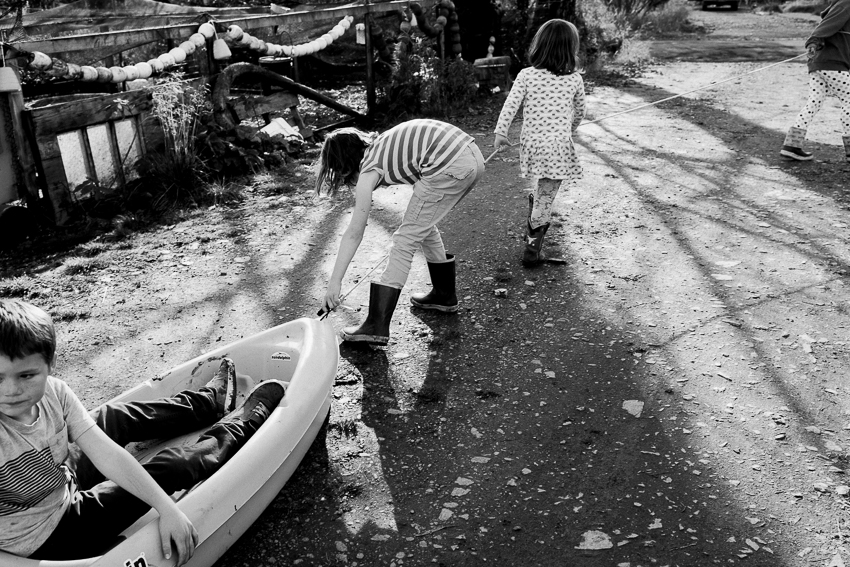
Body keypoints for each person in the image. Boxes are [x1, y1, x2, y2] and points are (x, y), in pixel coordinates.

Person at [0, 298, 286, 564]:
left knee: (111, 418)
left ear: (50, 366)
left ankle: (209, 403)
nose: (11, 390)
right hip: (54, 533)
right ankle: (240, 425)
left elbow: (107, 455)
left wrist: (165, 507)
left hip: (57, 479)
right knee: (171, 467)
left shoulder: (55, 392)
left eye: (26, 375)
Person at [316, 119, 486, 346]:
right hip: (470, 154)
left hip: (451, 164)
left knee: (405, 239)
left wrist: (334, 283)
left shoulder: (368, 169)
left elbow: (354, 233)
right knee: (421, 223)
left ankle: (376, 325)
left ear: (346, 167)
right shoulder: (382, 147)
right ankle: (443, 295)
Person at [493, 19, 586, 267]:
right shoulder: (574, 79)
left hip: (532, 146)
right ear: (570, 49)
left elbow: (510, 105)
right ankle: (532, 252)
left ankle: (536, 209)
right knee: (546, 197)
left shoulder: (526, 75)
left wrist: (501, 133)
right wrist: (570, 129)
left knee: (542, 190)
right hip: (557, 147)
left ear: (540, 46)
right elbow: (580, 112)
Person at [780, 0, 850, 162]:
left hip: (819, 64)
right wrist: (813, 41)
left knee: (814, 102)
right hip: (832, 64)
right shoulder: (846, 3)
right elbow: (827, 24)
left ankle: (791, 146)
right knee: (849, 100)